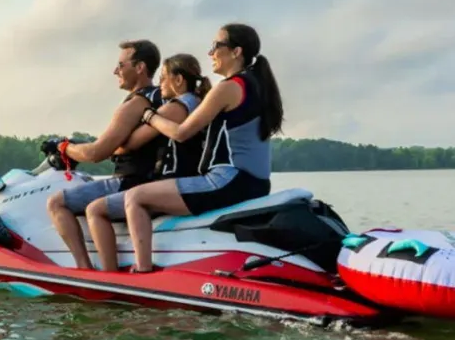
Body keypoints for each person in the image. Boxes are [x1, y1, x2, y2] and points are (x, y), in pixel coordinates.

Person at [124, 23, 284, 273]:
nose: (210, 53)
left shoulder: (229, 87)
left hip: (229, 180)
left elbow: (181, 133)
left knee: (135, 197)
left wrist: (148, 117)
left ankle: (142, 271)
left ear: (236, 51)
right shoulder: (257, 85)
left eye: (215, 46)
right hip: (256, 182)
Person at [85, 53, 211, 271]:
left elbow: (135, 140)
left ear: (179, 80)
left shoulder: (178, 106)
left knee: (96, 209)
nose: (159, 84)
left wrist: (113, 144)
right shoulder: (198, 103)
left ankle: (118, 273)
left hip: (175, 182)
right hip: (184, 180)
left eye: (163, 78)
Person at [44, 39, 163, 270]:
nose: (115, 71)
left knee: (56, 202)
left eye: (121, 65)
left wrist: (63, 147)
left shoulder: (136, 102)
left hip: (131, 181)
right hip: (152, 179)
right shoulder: (161, 98)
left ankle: (85, 269)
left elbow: (97, 152)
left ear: (140, 67)